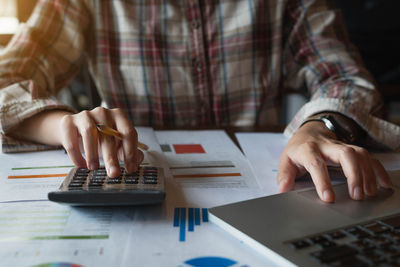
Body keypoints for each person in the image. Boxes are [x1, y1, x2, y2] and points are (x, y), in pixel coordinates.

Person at [0, 0, 398, 203]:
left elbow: (345, 77)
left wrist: (319, 126)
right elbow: (6, 78)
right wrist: (60, 124)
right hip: (132, 189)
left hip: (264, 194)